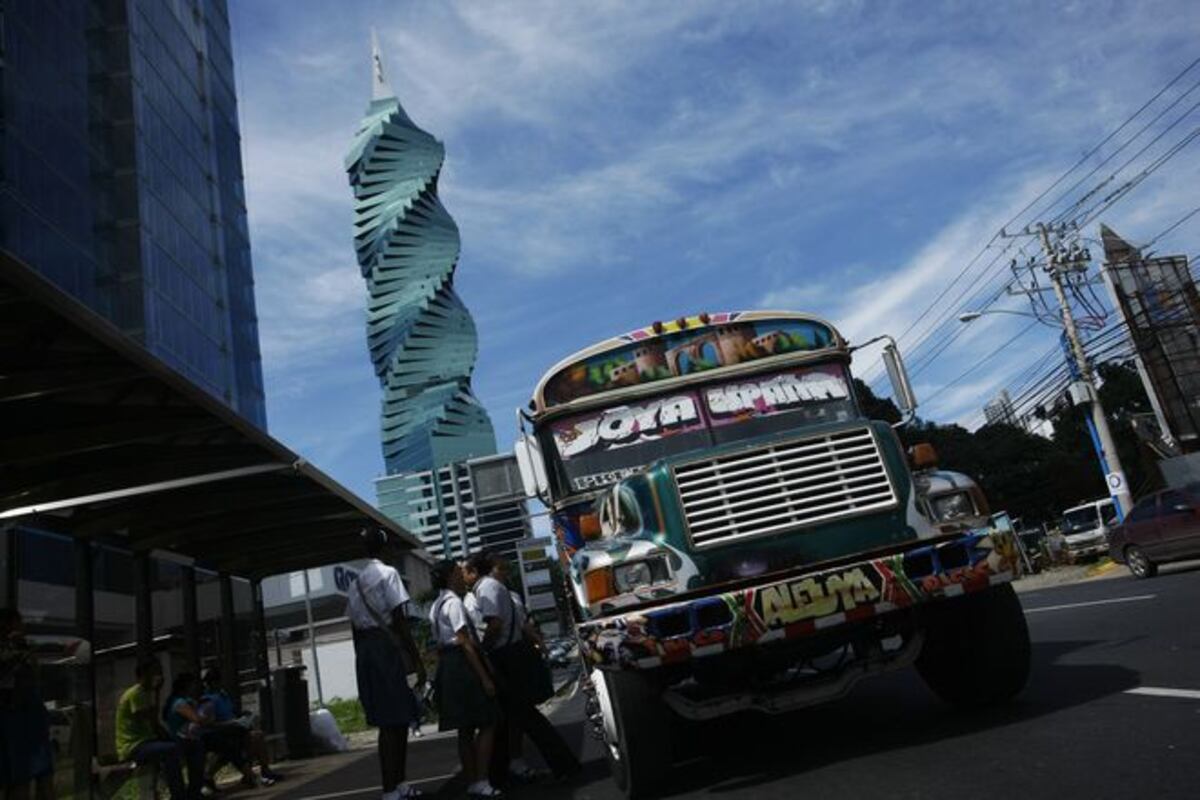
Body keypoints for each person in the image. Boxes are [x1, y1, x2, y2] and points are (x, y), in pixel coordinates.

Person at [466, 553, 579, 785]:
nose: (462, 576)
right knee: (510, 717)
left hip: (505, 657)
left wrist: (484, 648)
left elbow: (495, 624)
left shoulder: (486, 588)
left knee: (524, 715)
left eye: (464, 571)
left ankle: (564, 765)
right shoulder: (494, 588)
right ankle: (501, 772)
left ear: (475, 571)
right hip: (511, 654)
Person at [347, 528, 427, 800]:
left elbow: (354, 627)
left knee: (392, 720)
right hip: (387, 648)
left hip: (366, 651)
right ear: (385, 548)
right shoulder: (388, 573)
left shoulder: (356, 583)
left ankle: (398, 785)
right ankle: (391, 789)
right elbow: (399, 619)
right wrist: (416, 659)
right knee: (395, 721)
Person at [428, 560, 502, 799]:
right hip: (462, 665)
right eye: (459, 573)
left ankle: (472, 781)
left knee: (465, 729)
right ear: (451, 576)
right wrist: (485, 677)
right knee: (487, 722)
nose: (462, 576)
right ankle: (482, 779)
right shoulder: (454, 603)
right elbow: (465, 643)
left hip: (448, 665)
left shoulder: (435, 606)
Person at [115, 657, 204, 800]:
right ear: (144, 673)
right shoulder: (136, 694)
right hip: (133, 746)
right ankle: (179, 796)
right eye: (154, 672)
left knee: (192, 745)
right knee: (171, 749)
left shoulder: (145, 693)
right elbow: (151, 720)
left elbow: (153, 720)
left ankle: (193, 791)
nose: (158, 676)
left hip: (146, 741)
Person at [0, 609, 55, 800]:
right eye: (17, 623)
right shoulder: (7, 653)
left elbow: (35, 675)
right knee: (19, 779)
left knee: (43, 777)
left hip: (31, 718)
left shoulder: (24, 650)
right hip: (14, 719)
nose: (21, 627)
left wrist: (24, 651)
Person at [199, 668, 283, 785]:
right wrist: (230, 723)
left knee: (256, 736)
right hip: (222, 732)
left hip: (234, 729)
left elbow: (231, 711)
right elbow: (209, 723)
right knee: (245, 742)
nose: (215, 684)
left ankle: (263, 770)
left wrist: (242, 716)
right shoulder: (208, 700)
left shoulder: (223, 695)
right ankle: (249, 773)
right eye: (212, 682)